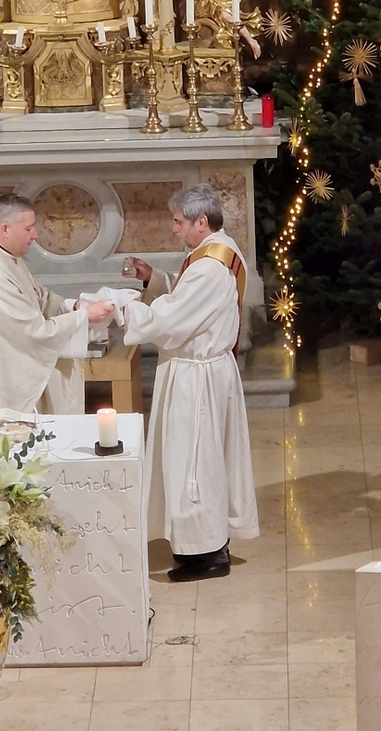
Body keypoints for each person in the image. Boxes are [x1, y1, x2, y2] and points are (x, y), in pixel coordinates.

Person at [122, 184, 259, 581]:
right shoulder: (219, 250)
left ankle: (207, 554)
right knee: (201, 459)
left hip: (196, 378)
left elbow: (172, 318)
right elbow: (191, 301)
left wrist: (124, 307)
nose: (174, 228)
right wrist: (156, 279)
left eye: (179, 222)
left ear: (201, 221)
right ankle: (203, 544)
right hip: (204, 372)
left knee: (194, 464)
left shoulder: (210, 267)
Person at [0, 193, 114, 414]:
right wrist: (84, 317)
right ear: (5, 229)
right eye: (28, 229)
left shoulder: (3, 257)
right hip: (3, 385)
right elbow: (34, 333)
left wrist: (74, 307)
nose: (35, 235)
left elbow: (39, 297)